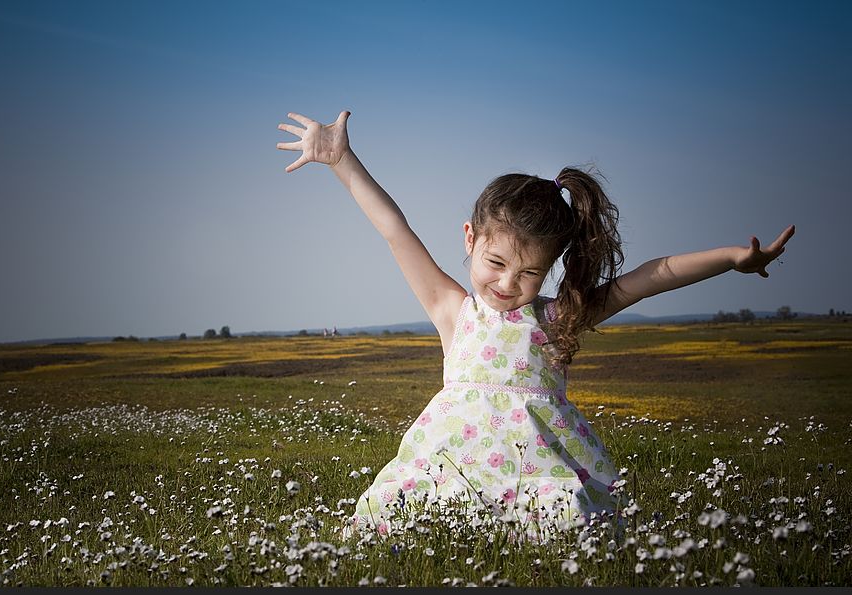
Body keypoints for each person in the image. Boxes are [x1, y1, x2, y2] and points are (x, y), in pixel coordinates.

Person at [276, 110, 795, 543]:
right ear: (469, 239)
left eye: (529, 273)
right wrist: (342, 160)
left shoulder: (559, 316)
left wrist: (731, 258)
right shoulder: (452, 309)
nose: (507, 282)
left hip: (537, 476)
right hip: (449, 471)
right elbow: (395, 229)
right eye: (495, 261)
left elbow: (650, 277)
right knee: (403, 525)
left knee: (568, 534)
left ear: (550, 268)